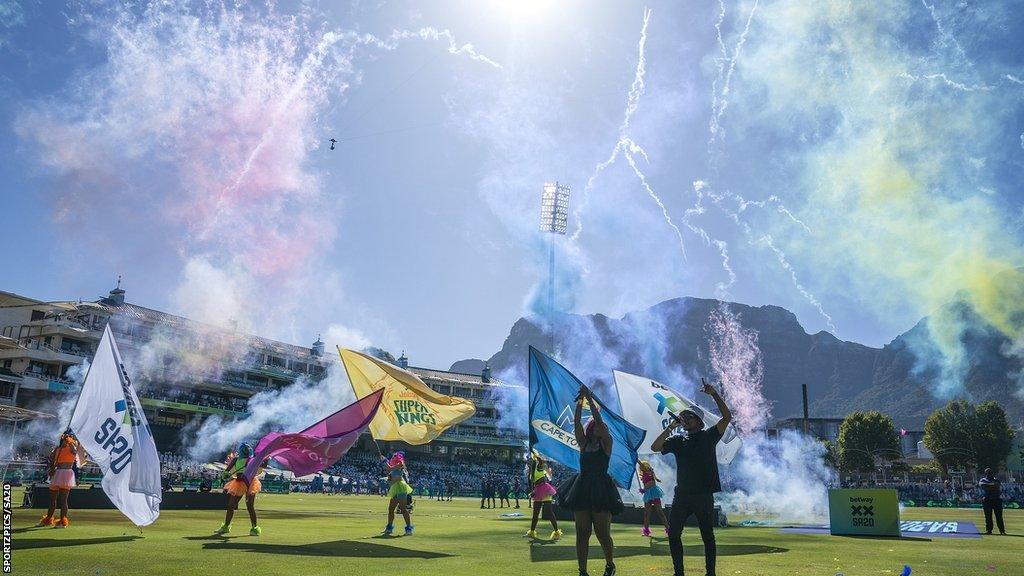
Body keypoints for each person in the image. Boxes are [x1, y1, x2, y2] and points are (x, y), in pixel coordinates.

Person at [651, 378, 732, 576]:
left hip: (703, 494)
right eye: (683, 417)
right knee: (674, 534)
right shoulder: (678, 440)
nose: (685, 419)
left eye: (689, 417)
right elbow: (655, 447)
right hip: (683, 495)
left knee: (708, 536)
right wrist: (670, 427)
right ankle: (679, 572)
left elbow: (727, 417)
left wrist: (713, 394)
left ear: (699, 422)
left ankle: (710, 573)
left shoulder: (708, 436)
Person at [558, 385, 622, 576]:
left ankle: (610, 565)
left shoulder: (607, 444)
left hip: (602, 488)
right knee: (582, 533)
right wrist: (580, 401)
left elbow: (601, 422)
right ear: (591, 430)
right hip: (583, 487)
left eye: (601, 427)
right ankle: (582, 571)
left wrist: (590, 398)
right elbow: (576, 422)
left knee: (603, 534)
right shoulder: (584, 444)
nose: (599, 429)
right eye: (595, 427)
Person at [214, 443, 267, 536]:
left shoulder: (252, 460)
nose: (247, 451)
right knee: (231, 505)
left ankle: (254, 528)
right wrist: (225, 475)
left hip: (250, 483)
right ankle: (226, 527)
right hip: (238, 483)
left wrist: (266, 458)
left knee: (250, 506)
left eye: (248, 450)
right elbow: (227, 471)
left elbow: (263, 466)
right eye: (245, 450)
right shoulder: (236, 459)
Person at [36, 430, 81, 528]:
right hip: (57, 473)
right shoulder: (58, 449)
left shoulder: (72, 447)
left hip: (66, 474)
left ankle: (62, 521)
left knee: (63, 500)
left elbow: (75, 452)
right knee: (52, 499)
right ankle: (48, 519)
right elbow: (53, 462)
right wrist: (52, 469)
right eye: (64, 438)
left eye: (67, 438)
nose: (64, 439)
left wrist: (70, 441)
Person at [525, 451, 562, 539]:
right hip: (537, 490)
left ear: (533, 461)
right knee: (535, 514)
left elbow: (540, 461)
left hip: (545, 489)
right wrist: (532, 492)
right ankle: (532, 532)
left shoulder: (539, 466)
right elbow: (531, 484)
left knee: (549, 512)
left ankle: (556, 532)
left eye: (530, 461)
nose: (528, 463)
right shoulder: (530, 472)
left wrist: (533, 452)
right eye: (527, 462)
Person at [382, 451, 414, 535]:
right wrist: (384, 461)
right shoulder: (397, 464)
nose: (394, 457)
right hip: (396, 487)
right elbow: (390, 470)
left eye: (395, 456)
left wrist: (384, 461)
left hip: (400, 487)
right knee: (391, 508)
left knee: (403, 509)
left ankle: (409, 528)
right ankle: (389, 528)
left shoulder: (400, 464)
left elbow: (390, 468)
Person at [638, 460, 669, 537]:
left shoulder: (649, 471)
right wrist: (643, 490)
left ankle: (668, 529)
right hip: (648, 494)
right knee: (646, 513)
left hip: (654, 493)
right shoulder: (644, 474)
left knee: (660, 512)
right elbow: (646, 485)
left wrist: (635, 457)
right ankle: (646, 531)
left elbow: (640, 463)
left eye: (642, 466)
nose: (641, 468)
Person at [979, 468, 1007, 535]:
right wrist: (992, 485)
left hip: (996, 499)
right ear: (986, 474)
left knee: (999, 516)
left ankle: (1002, 530)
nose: (989, 474)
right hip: (987, 500)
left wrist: (988, 485)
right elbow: (982, 485)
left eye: (990, 472)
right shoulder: (983, 480)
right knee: (988, 516)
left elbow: (996, 485)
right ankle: (989, 530)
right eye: (988, 473)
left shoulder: (996, 480)